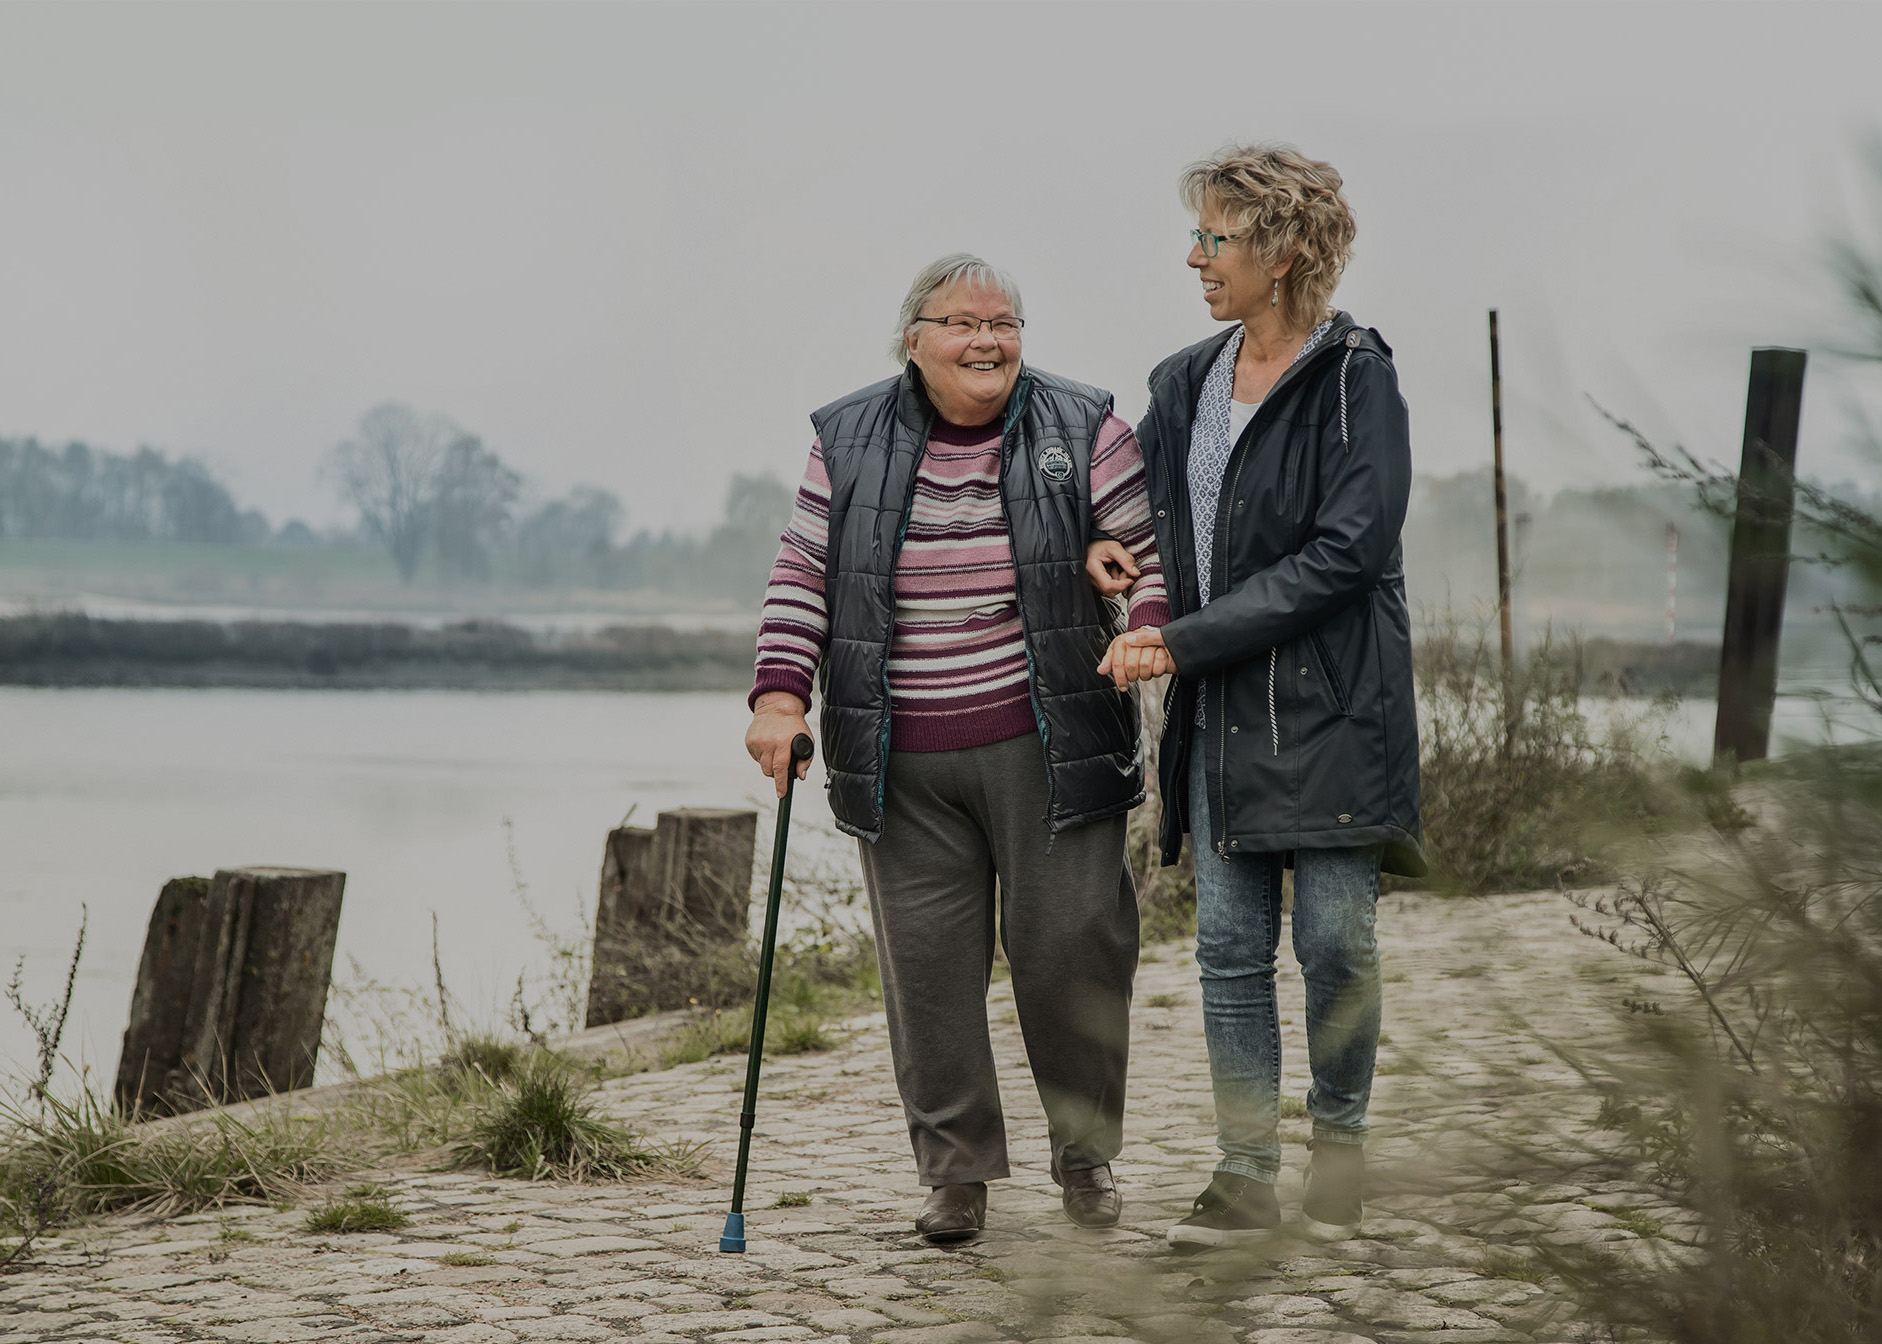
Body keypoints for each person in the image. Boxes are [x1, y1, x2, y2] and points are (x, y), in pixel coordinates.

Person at [745, 253, 1169, 1242]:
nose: (988, 341)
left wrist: (1140, 615)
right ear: (914, 340)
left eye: (1004, 323)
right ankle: (954, 1173)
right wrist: (777, 700)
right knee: (929, 973)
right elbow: (802, 575)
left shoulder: (1084, 424)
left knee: (1071, 953)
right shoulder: (845, 438)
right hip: (900, 757)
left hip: (1051, 742)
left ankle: (1084, 1152)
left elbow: (1145, 554)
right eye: (963, 323)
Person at [1091, 144, 1425, 1247]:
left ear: (1280, 254)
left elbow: (1346, 554)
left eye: (1214, 238)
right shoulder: (1182, 381)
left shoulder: (1353, 378)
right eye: (1196, 236)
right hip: (1220, 716)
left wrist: (1180, 642)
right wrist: (1114, 556)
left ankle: (1339, 1144)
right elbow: (1136, 513)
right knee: (1229, 953)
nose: (1194, 258)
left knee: (1334, 944)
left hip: (1332, 713)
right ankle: (1242, 1174)